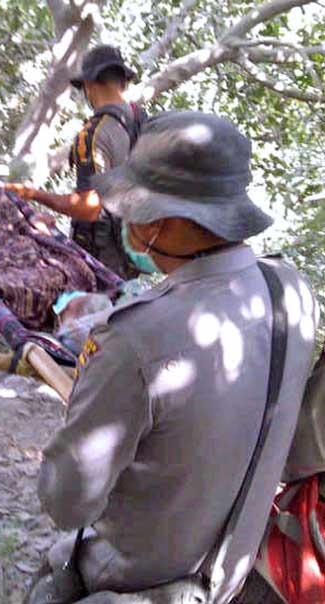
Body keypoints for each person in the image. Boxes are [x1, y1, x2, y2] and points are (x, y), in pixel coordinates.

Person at [27, 111, 319, 604]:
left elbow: (66, 503)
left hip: (134, 588)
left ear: (155, 222)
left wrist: (91, 406)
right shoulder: (293, 290)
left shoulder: (136, 341)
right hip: (231, 574)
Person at [6, 45, 140, 278]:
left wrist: (33, 194)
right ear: (124, 83)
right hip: (135, 250)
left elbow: (87, 208)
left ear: (89, 85)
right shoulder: (142, 122)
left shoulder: (93, 134)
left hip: (103, 259)